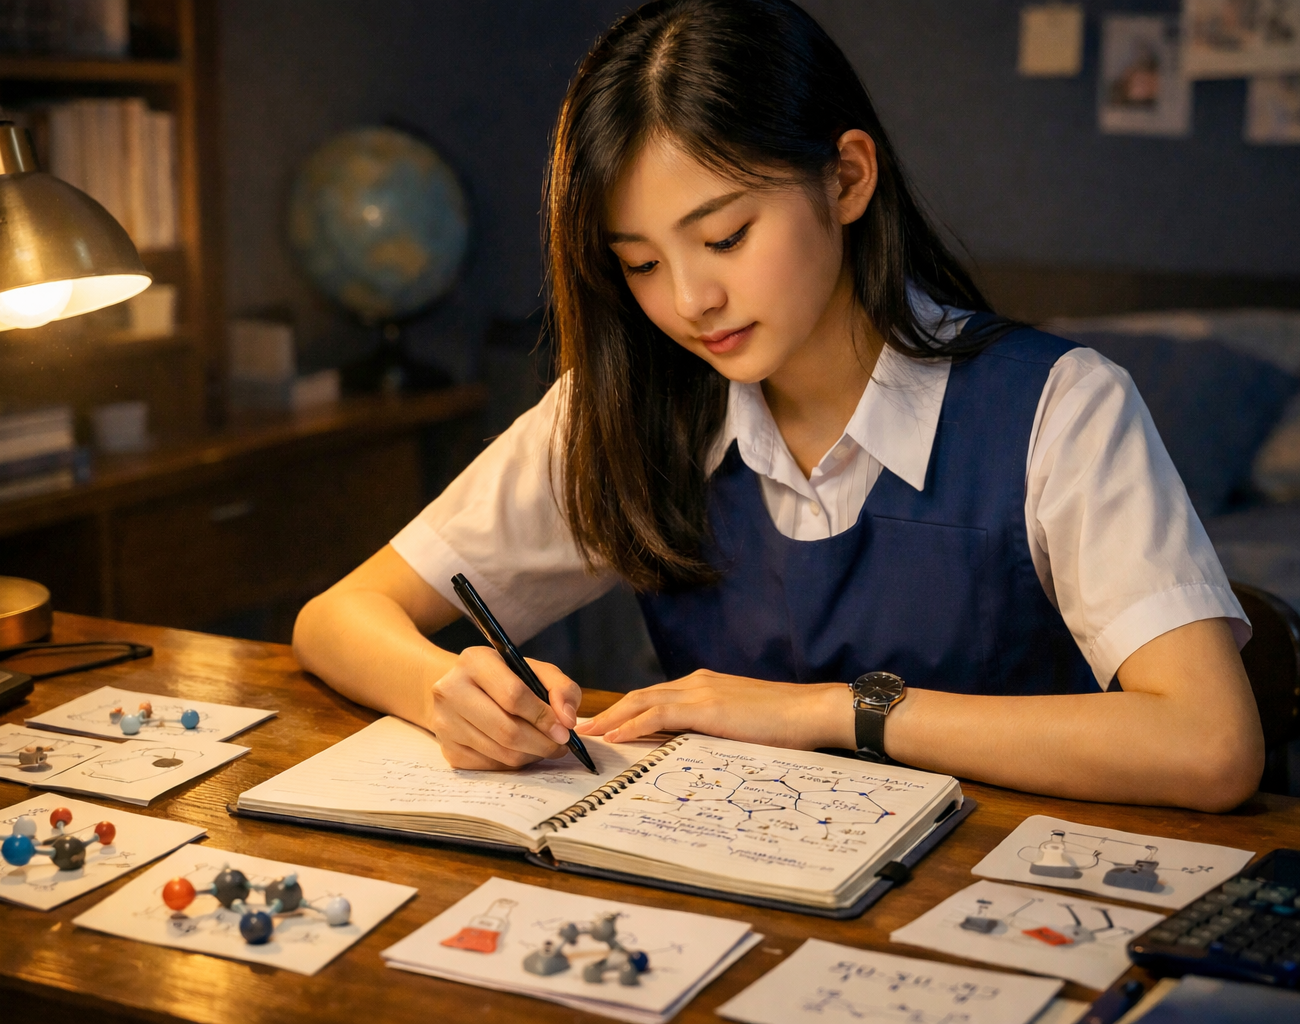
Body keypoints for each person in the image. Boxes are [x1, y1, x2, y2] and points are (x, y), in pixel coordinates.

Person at [293, 0, 1263, 812]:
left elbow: (1209, 743)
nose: (689, 300)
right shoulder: (629, 409)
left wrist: (830, 711)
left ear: (846, 179)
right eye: (640, 263)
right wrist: (445, 686)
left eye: (724, 237)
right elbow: (337, 618)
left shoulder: (1059, 409)